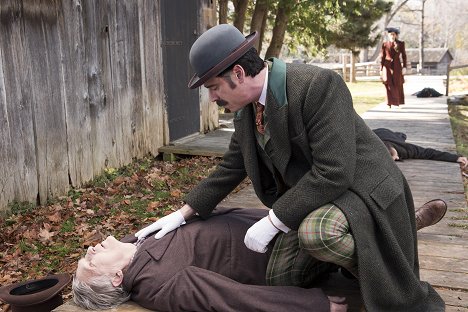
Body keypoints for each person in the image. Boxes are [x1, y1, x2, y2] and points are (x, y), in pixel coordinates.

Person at [136, 24, 445, 311]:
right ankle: (381, 237)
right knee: (282, 277)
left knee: (317, 234)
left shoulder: (317, 85)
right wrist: (182, 214)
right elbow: (231, 168)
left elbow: (334, 172)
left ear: (239, 73)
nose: (213, 97)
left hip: (363, 190)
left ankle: (386, 252)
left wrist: (274, 220)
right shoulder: (246, 113)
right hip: (321, 195)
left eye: (214, 87)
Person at [72, 204, 446, 311]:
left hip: (261, 223)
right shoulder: (156, 284)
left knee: (328, 200)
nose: (89, 251)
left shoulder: (133, 244)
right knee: (324, 233)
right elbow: (229, 299)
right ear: (118, 279)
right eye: (89, 264)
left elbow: (111, 244)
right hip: (276, 257)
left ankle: (391, 225)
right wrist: (312, 305)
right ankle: (397, 233)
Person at [373, 128, 468, 168]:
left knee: (401, 136)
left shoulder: (406, 149)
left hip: (388, 134)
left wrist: (455, 157)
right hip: (373, 134)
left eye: (393, 158)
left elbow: (428, 152)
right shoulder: (371, 148)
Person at [380, 27, 408, 108]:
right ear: (388, 35)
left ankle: (397, 102)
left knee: (397, 83)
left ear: (396, 35)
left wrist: (404, 67)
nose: (392, 36)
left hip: (397, 66)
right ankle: (389, 102)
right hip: (387, 66)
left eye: (394, 34)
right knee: (388, 83)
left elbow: (404, 56)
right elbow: (382, 57)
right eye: (390, 34)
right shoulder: (385, 44)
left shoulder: (400, 44)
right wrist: (381, 69)